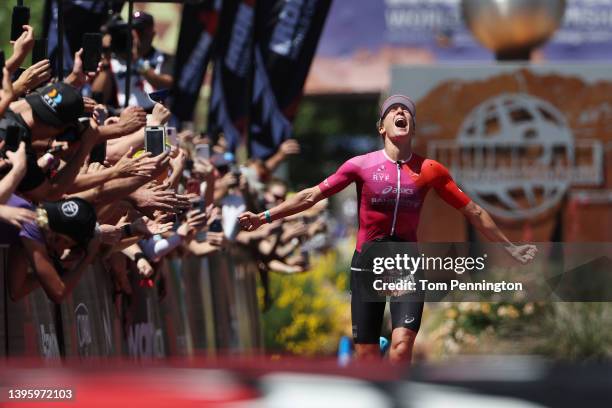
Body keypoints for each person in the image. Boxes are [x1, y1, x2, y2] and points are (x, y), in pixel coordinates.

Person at [238, 94, 538, 365]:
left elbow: (473, 210)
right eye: (394, 110)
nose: (400, 112)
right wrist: (264, 216)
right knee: (367, 355)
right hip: (367, 262)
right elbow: (310, 195)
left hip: (406, 264)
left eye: (406, 111)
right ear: (382, 127)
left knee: (402, 345)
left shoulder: (430, 170)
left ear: (413, 128)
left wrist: (508, 246)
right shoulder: (360, 165)